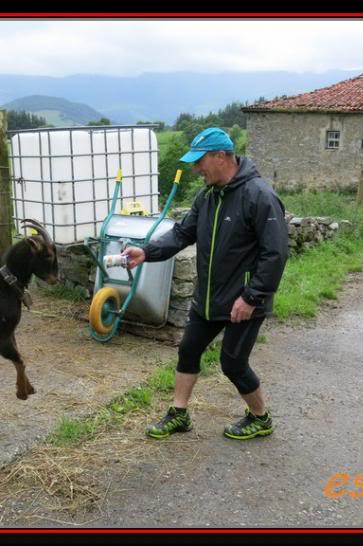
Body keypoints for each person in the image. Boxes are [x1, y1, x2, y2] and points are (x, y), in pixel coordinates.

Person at [122, 127, 288, 440]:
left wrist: (252, 297)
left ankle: (260, 417)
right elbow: (182, 234)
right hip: (209, 297)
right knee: (188, 350)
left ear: (220, 156)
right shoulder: (207, 197)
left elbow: (275, 254)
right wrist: (145, 252)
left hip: (244, 301)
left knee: (233, 363)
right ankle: (179, 414)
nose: (196, 169)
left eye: (200, 161)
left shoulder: (259, 197)